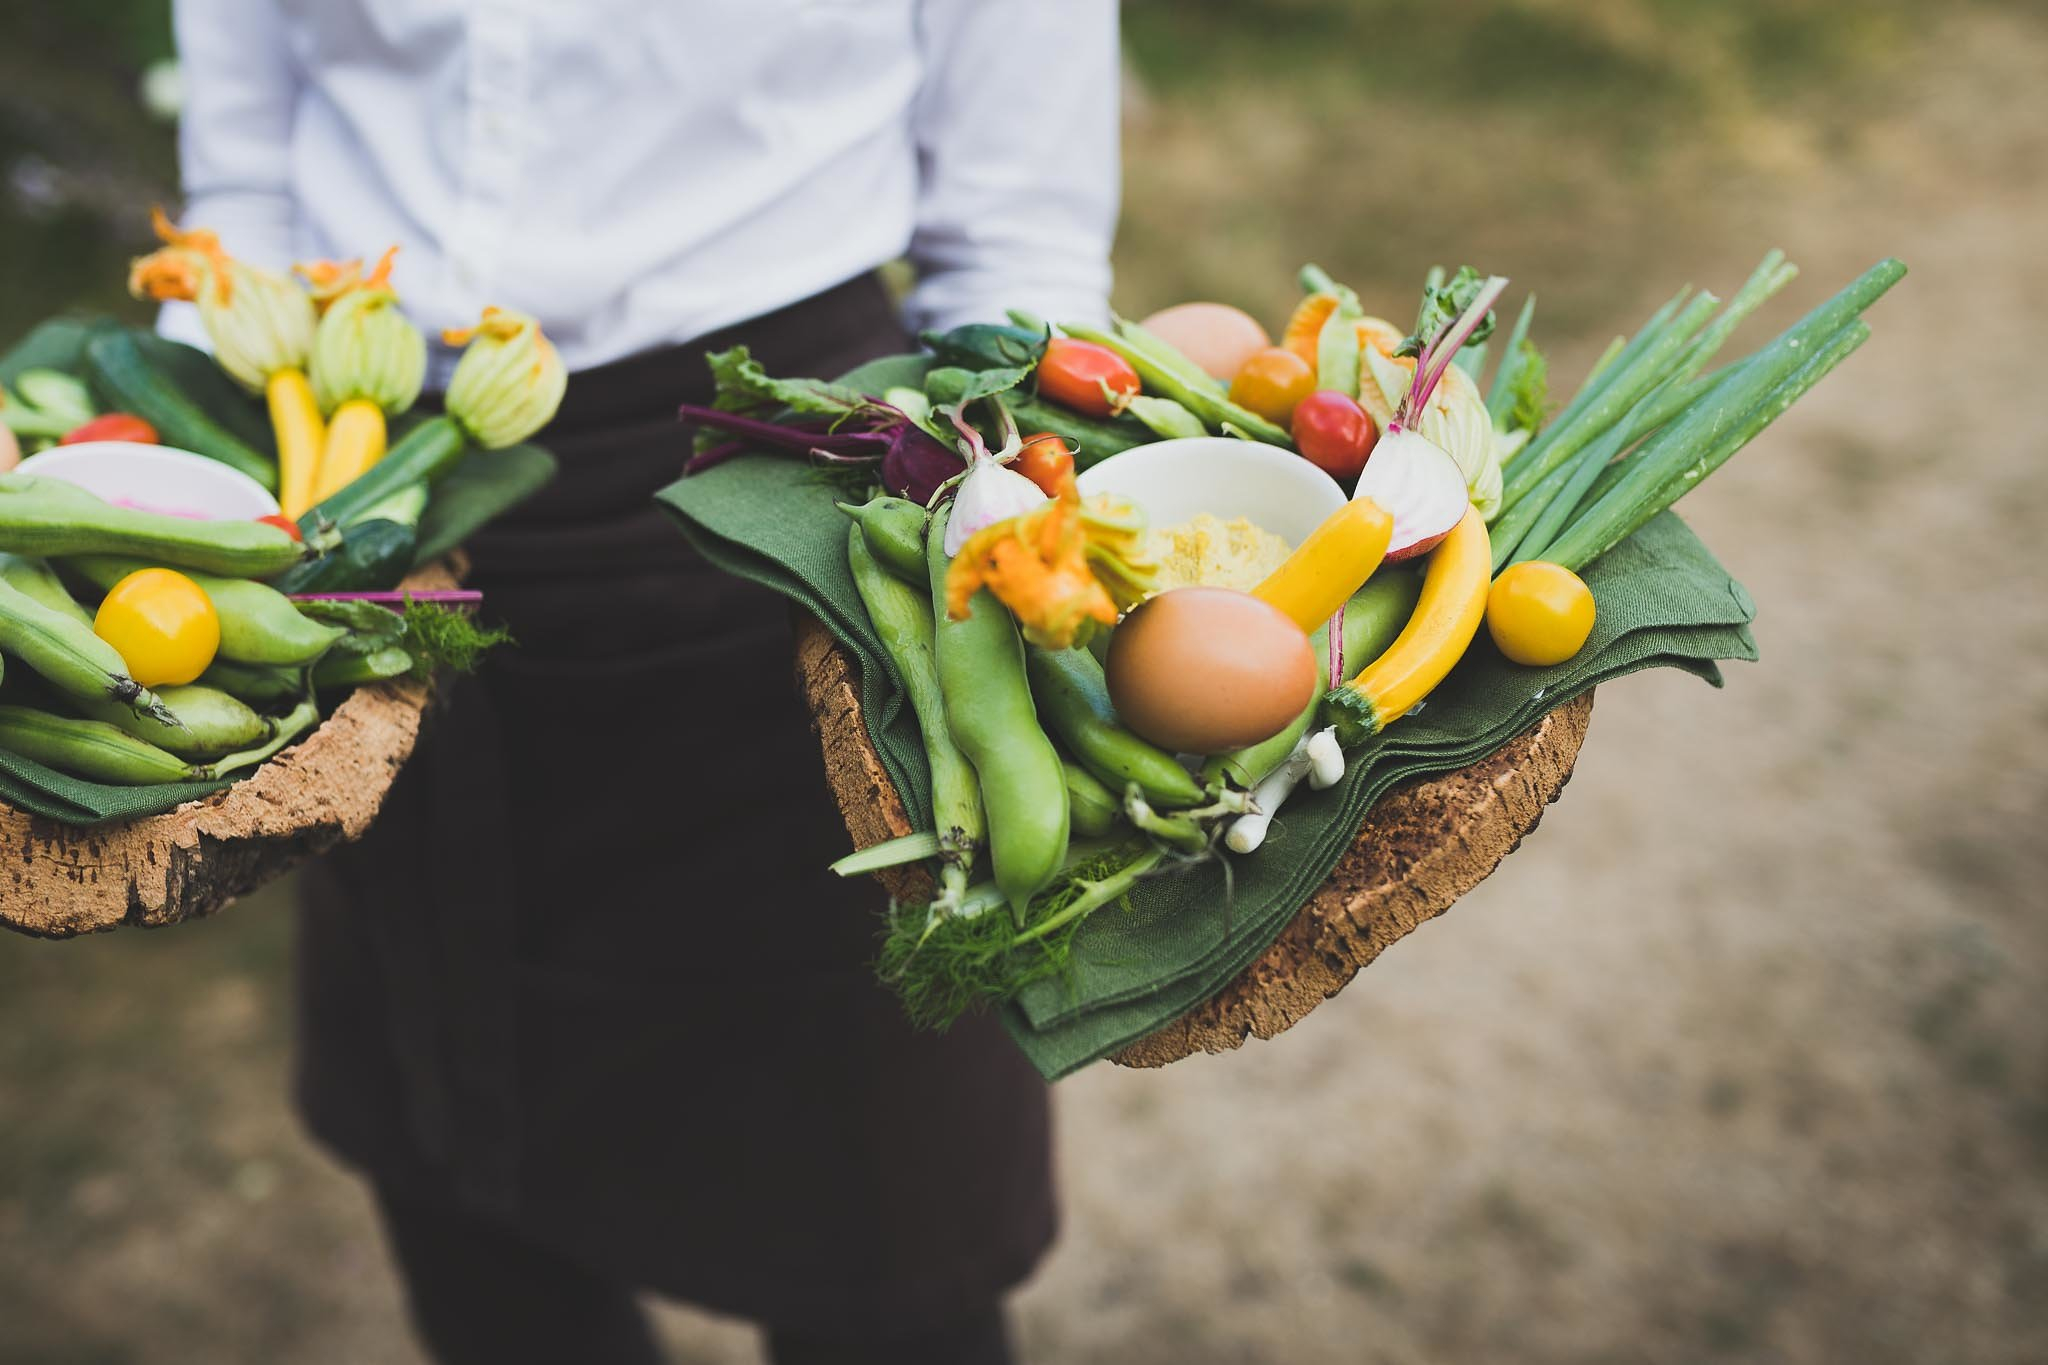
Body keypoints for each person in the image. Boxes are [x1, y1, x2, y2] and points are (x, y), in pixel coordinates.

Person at [164, 3, 1121, 1362]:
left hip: (791, 498)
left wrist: (994, 525)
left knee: (883, 1223)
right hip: (360, 495)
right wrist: (232, 492)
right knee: (462, 1178)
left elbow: (1014, 233)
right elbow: (247, 162)